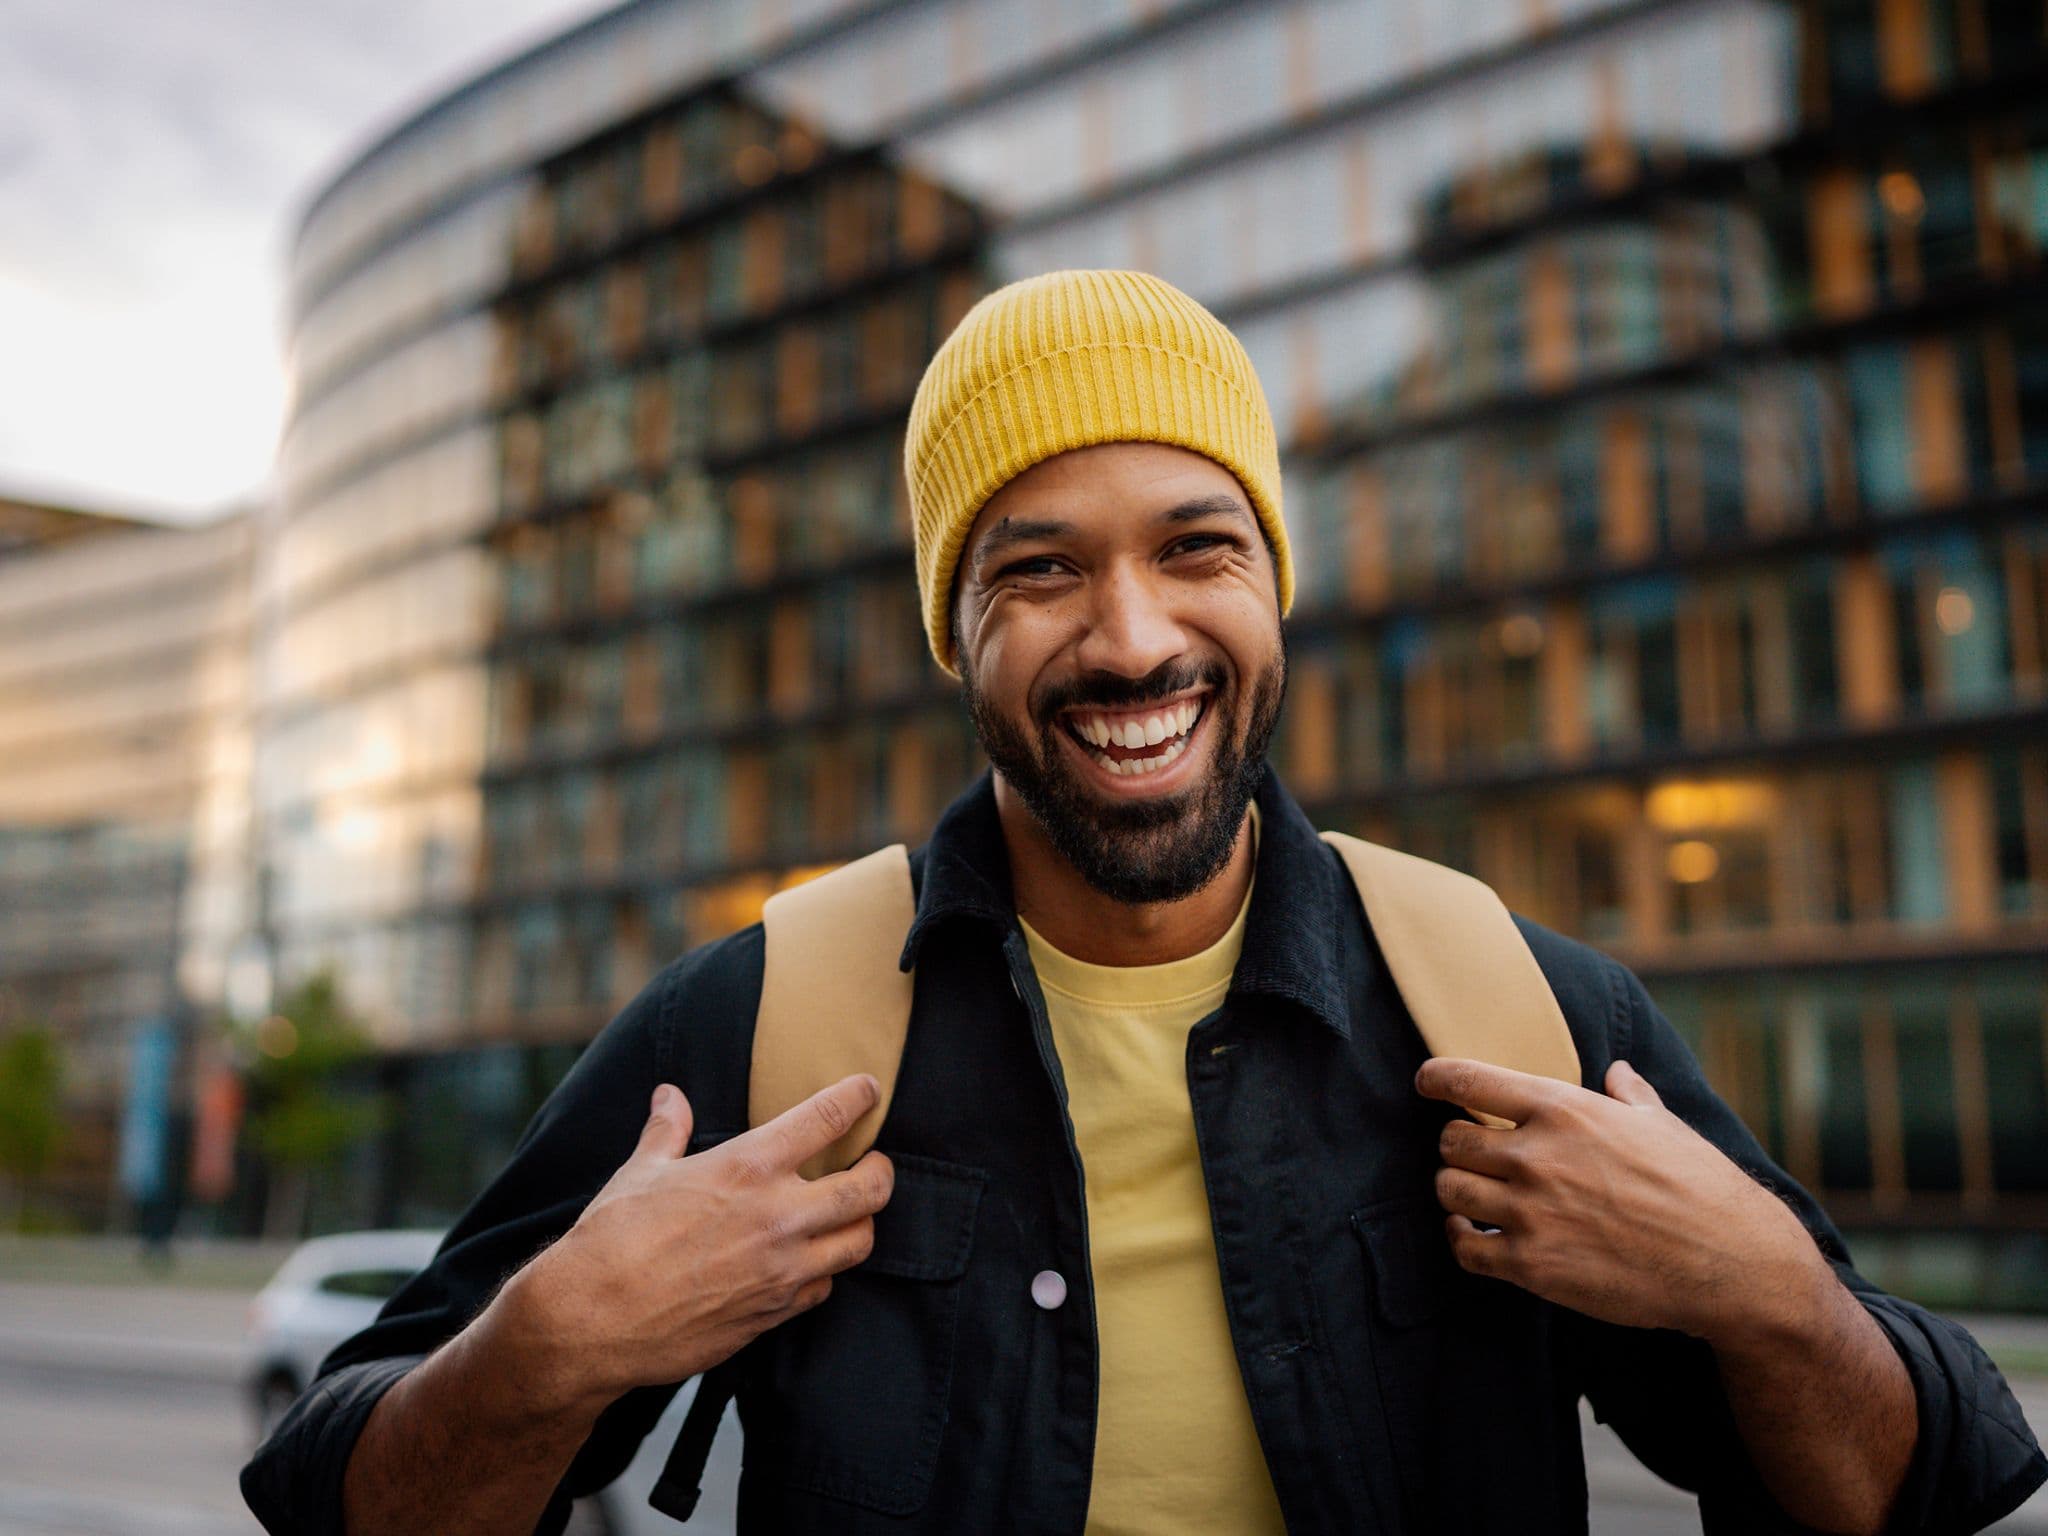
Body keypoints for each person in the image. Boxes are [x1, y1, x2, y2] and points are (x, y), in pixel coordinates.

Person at [243, 269, 2045, 1535]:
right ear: (960, 639)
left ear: (1275, 582)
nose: (1132, 639)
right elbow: (351, 1494)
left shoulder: (1517, 1014)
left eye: (1199, 546)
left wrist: (1767, 1298)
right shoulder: (757, 1023)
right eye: (1038, 571)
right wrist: (543, 1356)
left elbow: (1919, 1487)